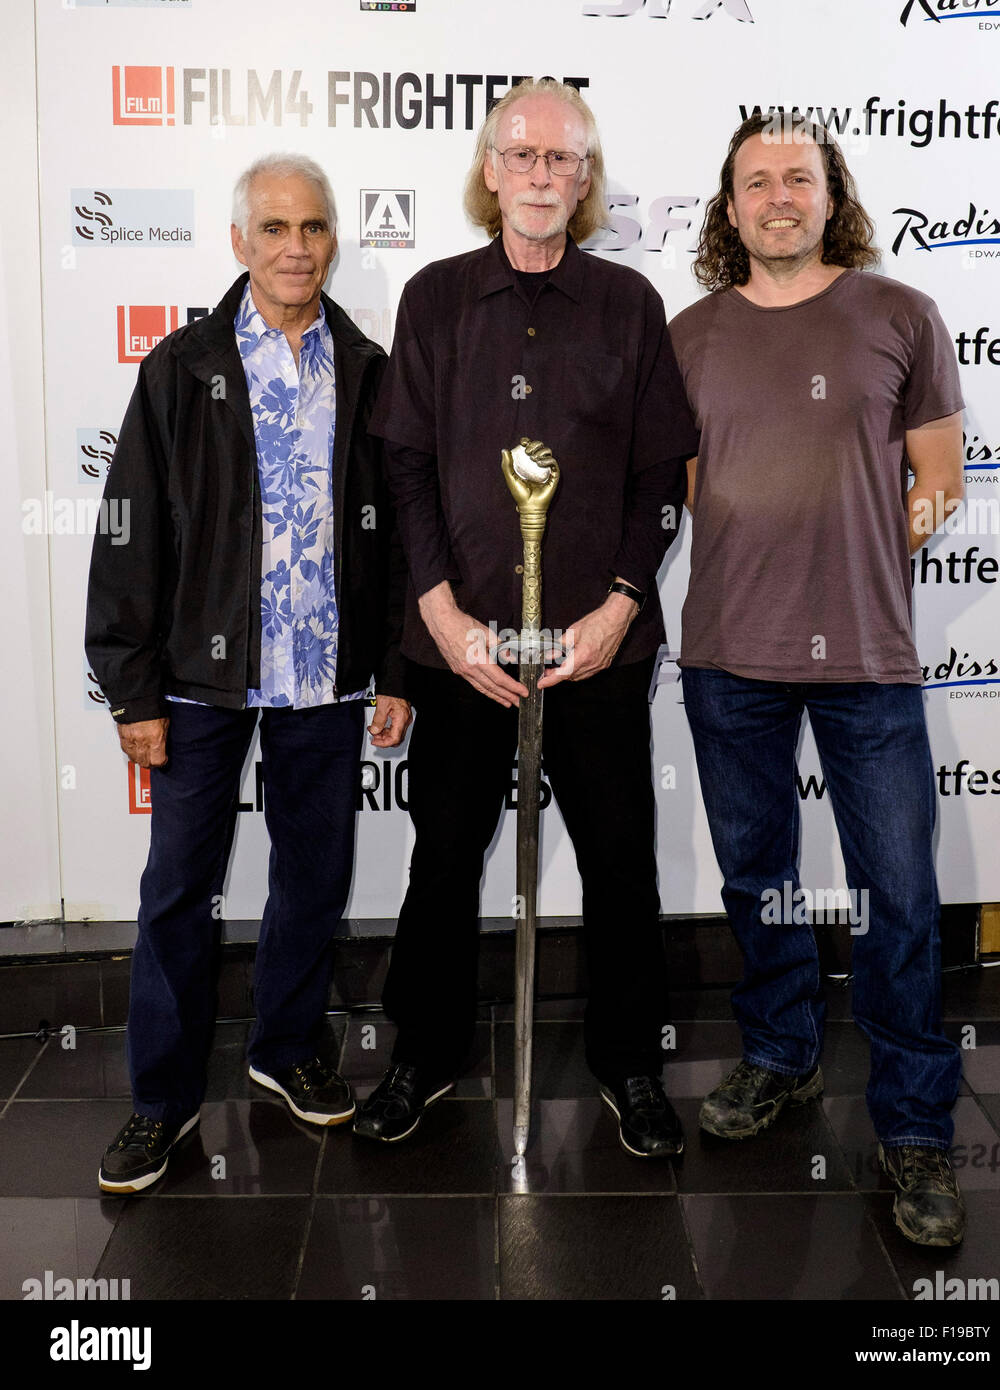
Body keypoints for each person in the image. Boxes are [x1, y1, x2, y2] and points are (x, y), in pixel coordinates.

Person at [356, 77, 698, 1156]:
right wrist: (439, 618)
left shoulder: (629, 308)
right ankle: (421, 1054)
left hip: (593, 648)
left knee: (620, 857)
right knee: (444, 855)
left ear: (584, 178)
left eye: (561, 159)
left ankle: (631, 1065)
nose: (540, 175)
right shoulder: (433, 299)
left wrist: (620, 608)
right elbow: (402, 467)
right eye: (521, 155)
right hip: (462, 649)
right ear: (489, 170)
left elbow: (658, 477)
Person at [85, 153, 410, 1193]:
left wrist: (397, 663)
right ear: (238, 243)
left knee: (310, 876)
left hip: (324, 673)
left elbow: (401, 533)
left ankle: (285, 1046)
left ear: (331, 243)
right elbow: (128, 527)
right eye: (273, 229)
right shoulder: (181, 366)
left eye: (312, 228)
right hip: (196, 676)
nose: (295, 248)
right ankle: (159, 1102)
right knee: (179, 888)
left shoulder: (368, 366)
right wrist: (131, 688)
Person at [669, 114, 966, 1245]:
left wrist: (853, 550)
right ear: (729, 206)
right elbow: (695, 484)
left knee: (897, 893)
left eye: (798, 177)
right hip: (726, 653)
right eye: (756, 181)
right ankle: (780, 1055)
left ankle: (915, 1126)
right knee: (758, 874)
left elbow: (935, 477)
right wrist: (772, 543)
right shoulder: (689, 332)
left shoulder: (900, 313)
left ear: (827, 193)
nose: (777, 196)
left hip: (867, 655)